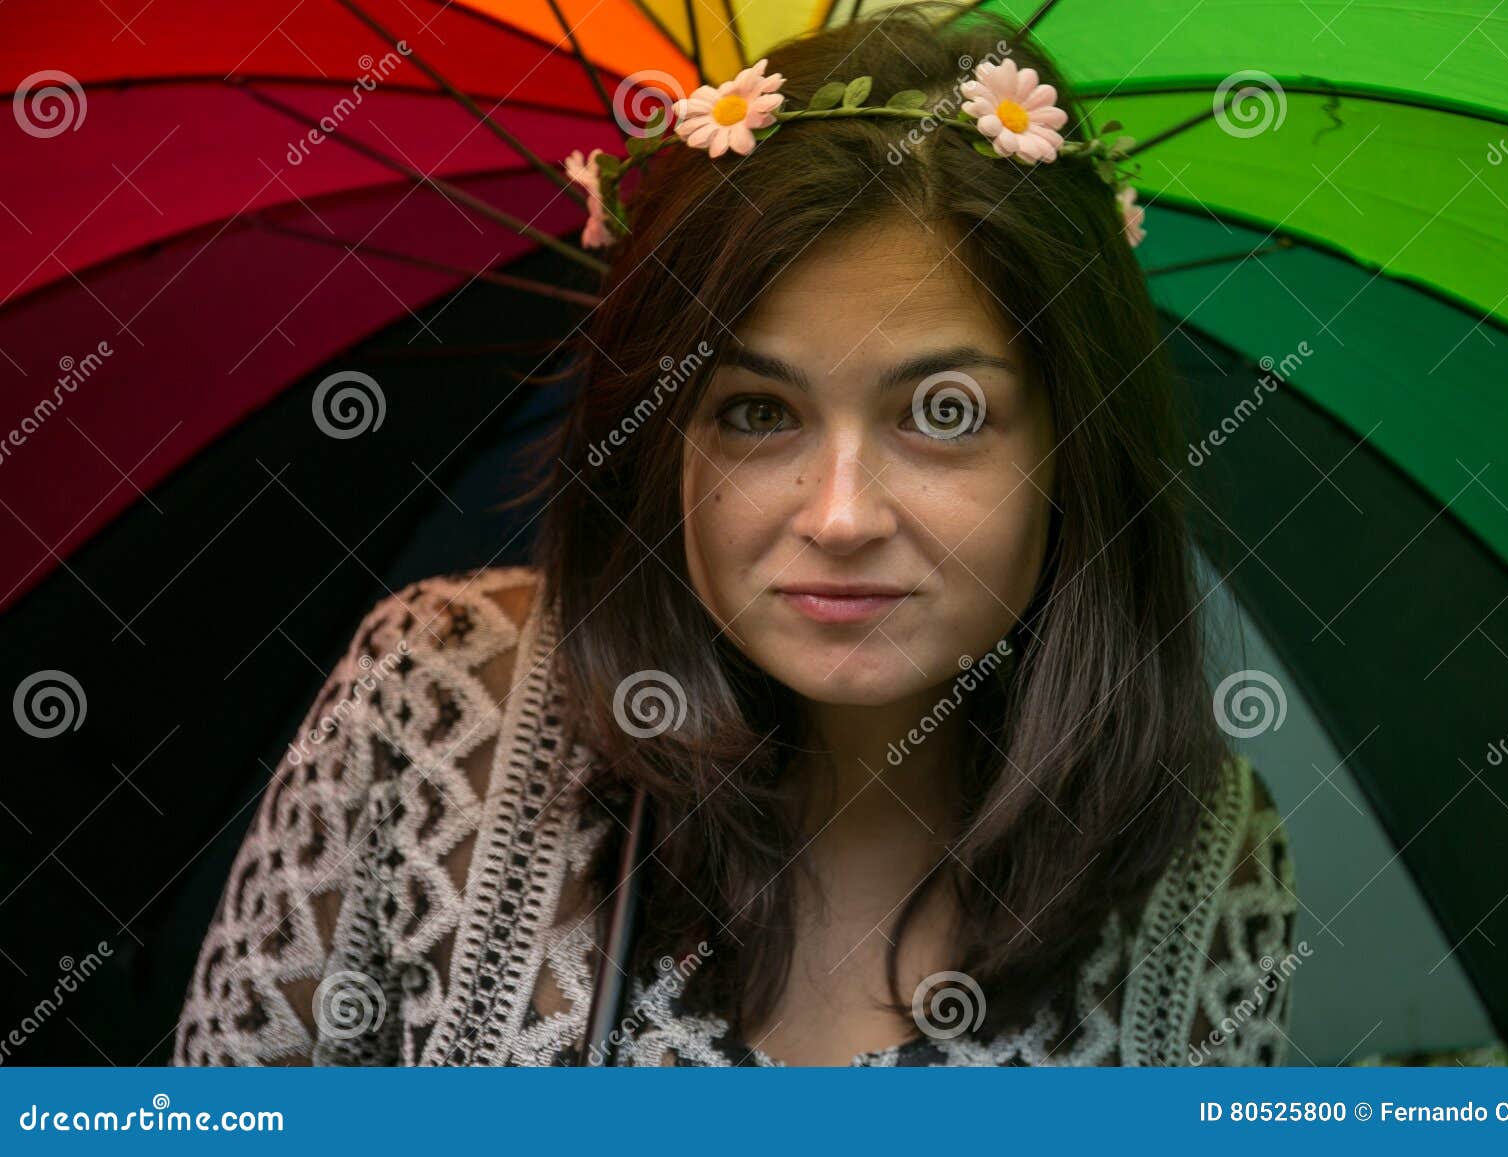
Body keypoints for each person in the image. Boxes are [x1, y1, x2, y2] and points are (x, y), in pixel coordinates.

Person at [172, 1, 1298, 1068]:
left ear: (1075, 445)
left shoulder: (1207, 853)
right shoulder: (437, 702)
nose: (841, 514)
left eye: (941, 413)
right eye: (756, 412)